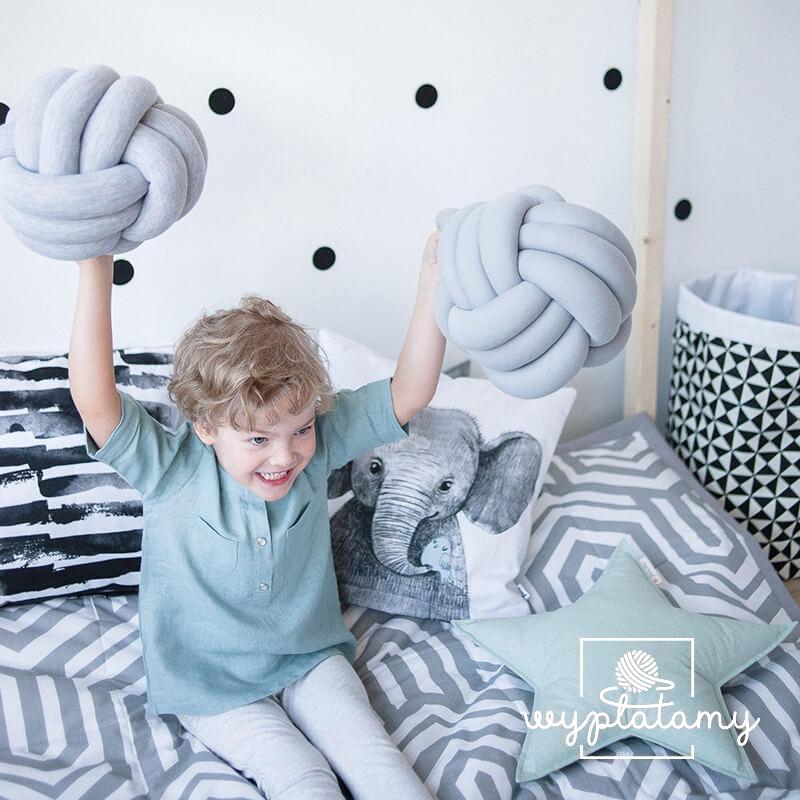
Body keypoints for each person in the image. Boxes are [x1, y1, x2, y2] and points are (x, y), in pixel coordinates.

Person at [68, 231, 444, 799]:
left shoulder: (315, 450)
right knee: (303, 777)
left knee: (375, 760)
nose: (285, 456)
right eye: (258, 439)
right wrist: (95, 267)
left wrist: (435, 280)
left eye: (301, 429)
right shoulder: (170, 470)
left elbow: (410, 391)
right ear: (206, 427)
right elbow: (96, 402)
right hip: (211, 685)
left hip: (309, 657)